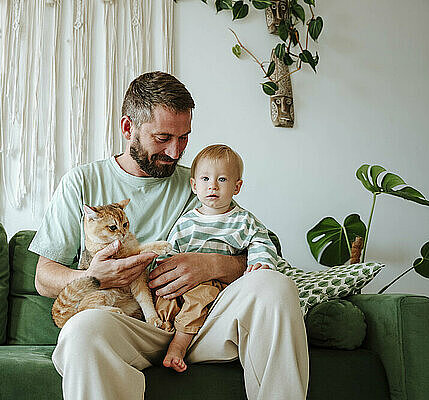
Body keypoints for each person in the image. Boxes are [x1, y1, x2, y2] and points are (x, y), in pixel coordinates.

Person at [30, 71, 309, 400]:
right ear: (128, 128)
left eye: (184, 138)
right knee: (82, 330)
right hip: (131, 325)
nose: (176, 152)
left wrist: (214, 265)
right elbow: (44, 278)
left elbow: (253, 249)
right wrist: (94, 277)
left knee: (275, 286)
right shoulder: (82, 183)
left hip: (199, 319)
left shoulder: (201, 182)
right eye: (163, 138)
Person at [156, 144, 280, 373]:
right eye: (205, 179)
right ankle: (163, 329)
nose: (212, 185)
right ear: (194, 185)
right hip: (183, 284)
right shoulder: (186, 222)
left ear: (237, 187)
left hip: (217, 289)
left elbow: (261, 242)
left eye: (222, 179)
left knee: (200, 298)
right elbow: (170, 253)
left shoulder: (243, 221)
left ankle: (179, 345)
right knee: (164, 297)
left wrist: (260, 263)